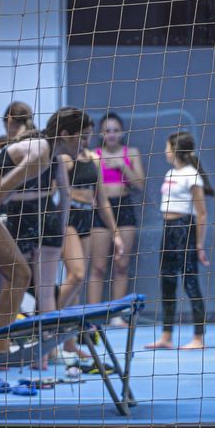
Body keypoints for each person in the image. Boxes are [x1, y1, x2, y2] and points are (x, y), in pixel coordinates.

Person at [0, 106, 91, 357]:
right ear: (67, 134)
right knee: (19, 274)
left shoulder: (45, 149)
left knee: (18, 275)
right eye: (83, 137)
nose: (86, 144)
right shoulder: (42, 155)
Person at [146, 132, 214, 350]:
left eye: (166, 147)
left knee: (190, 282)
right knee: (167, 282)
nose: (164, 151)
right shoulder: (170, 172)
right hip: (168, 230)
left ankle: (198, 337)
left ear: (175, 150)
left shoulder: (191, 175)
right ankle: (166, 336)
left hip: (184, 229)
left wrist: (199, 243)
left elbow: (201, 213)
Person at [56, 147, 124, 364]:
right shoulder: (64, 159)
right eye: (81, 134)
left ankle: (69, 344)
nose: (84, 139)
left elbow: (102, 199)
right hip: (67, 217)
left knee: (78, 281)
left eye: (87, 135)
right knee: (76, 275)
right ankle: (45, 319)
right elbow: (53, 189)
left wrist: (116, 233)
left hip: (87, 216)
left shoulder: (93, 158)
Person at [88, 113, 145, 327]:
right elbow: (89, 186)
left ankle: (117, 315)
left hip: (124, 209)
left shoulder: (131, 153)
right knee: (98, 267)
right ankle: (92, 317)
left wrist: (122, 166)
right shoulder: (94, 154)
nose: (111, 134)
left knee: (122, 265)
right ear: (101, 134)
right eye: (107, 131)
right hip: (101, 210)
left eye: (115, 130)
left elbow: (139, 184)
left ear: (122, 132)